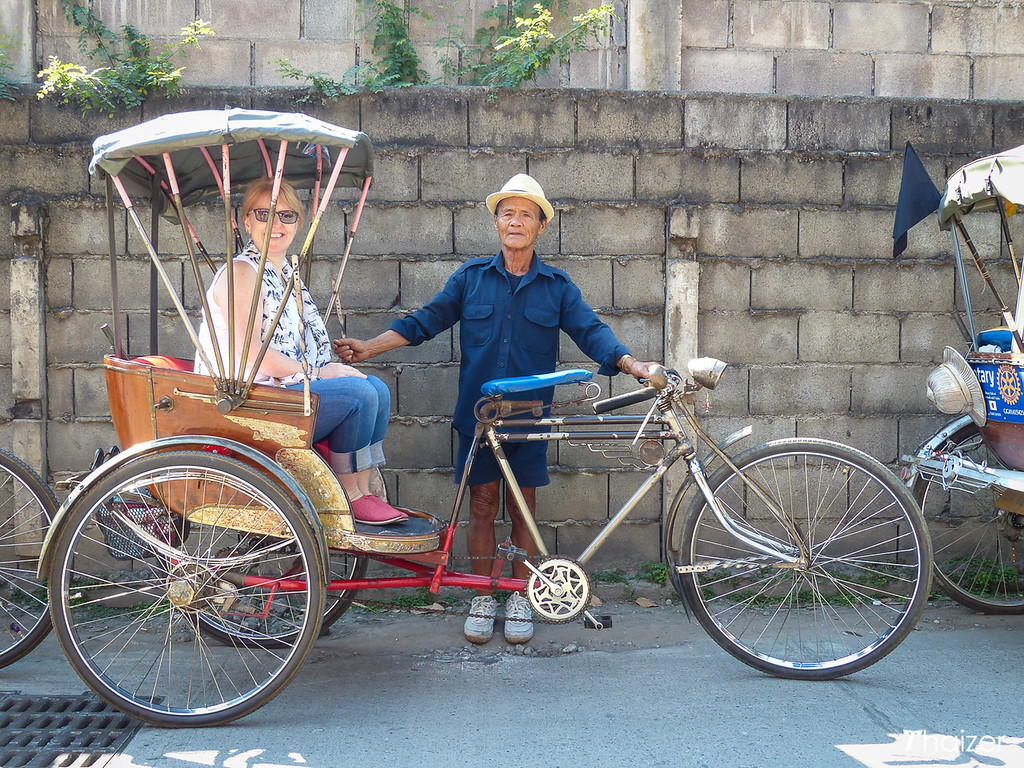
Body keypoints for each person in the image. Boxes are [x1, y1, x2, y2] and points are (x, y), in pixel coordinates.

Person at [334, 173, 654, 644]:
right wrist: (370, 347)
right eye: (508, 213)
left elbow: (592, 331)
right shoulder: (470, 279)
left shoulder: (557, 287)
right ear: (497, 223)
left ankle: (520, 594)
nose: (516, 222)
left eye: (526, 214)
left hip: (528, 419)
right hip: (478, 418)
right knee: (481, 506)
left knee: (523, 508)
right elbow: (425, 320)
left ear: (541, 226)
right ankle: (484, 594)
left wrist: (631, 364)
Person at [195, 177, 406, 526]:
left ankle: (365, 488)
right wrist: (319, 373)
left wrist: (328, 364)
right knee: (359, 394)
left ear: (298, 222)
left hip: (279, 392)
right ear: (246, 221)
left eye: (287, 216)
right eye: (264, 214)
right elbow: (249, 354)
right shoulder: (242, 273)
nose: (276, 224)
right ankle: (348, 496)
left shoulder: (284, 274)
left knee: (377, 389)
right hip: (247, 402)